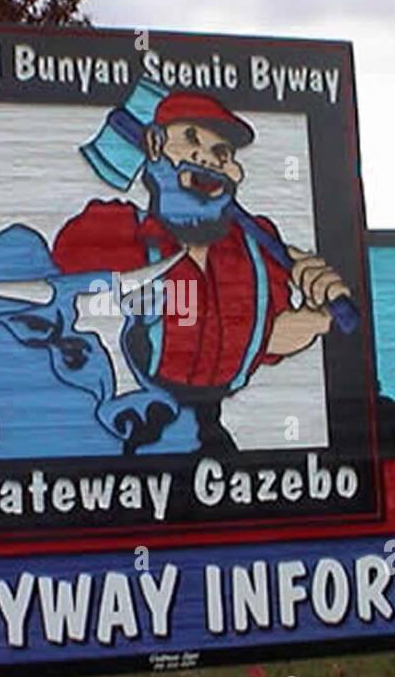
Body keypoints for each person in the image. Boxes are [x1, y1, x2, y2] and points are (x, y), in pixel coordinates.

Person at [52, 91, 350, 452]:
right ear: (154, 148)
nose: (207, 159)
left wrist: (319, 318)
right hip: (137, 425)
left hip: (209, 435)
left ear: (234, 172)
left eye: (221, 153)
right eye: (191, 140)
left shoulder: (257, 253)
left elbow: (263, 341)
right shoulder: (120, 232)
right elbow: (68, 265)